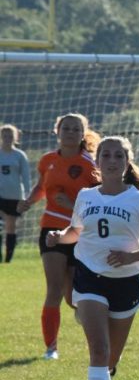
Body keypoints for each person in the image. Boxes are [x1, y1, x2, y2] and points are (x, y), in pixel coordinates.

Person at [46, 136, 139, 380]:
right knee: (99, 350)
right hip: (89, 276)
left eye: (118, 156)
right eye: (106, 155)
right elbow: (77, 231)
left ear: (127, 162)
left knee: (110, 358)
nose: (112, 161)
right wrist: (59, 237)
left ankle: (106, 372)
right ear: (97, 161)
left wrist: (132, 257)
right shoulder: (87, 196)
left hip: (126, 283)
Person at [18, 113, 100, 360]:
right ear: (57, 131)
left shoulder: (89, 164)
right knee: (53, 289)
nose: (71, 132)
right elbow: (42, 186)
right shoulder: (47, 161)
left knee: (72, 296)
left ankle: (85, 314)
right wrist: (29, 202)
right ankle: (51, 348)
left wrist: (72, 203)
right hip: (51, 230)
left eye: (76, 129)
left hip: (79, 232)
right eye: (66, 128)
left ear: (82, 134)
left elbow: (97, 202)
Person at [0, 124, 31, 263]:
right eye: (5, 136)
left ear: (15, 138)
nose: (7, 138)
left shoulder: (19, 155)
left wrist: (27, 196)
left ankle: (8, 258)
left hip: (14, 196)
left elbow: (25, 177)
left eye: (10, 136)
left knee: (10, 226)